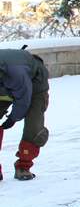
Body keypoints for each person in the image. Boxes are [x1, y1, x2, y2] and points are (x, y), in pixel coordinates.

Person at [0, 49, 49, 181]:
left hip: (34, 84)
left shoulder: (17, 74)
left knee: (34, 128)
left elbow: (23, 100)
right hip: (5, 86)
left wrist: (12, 118)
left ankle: (23, 166)